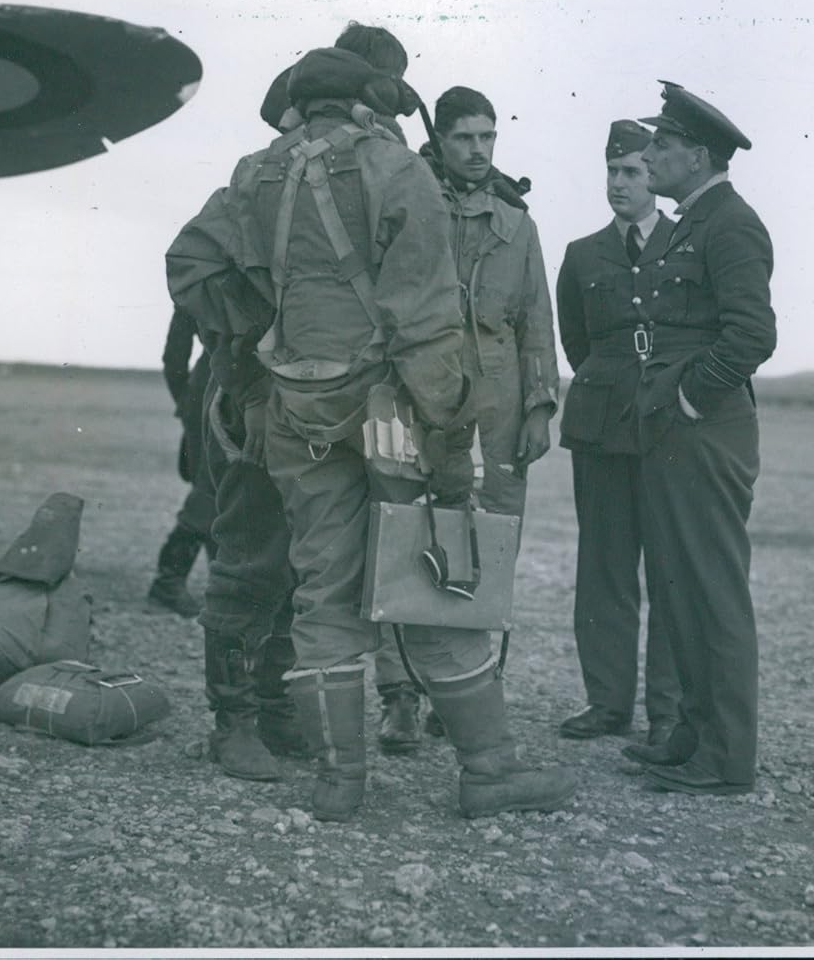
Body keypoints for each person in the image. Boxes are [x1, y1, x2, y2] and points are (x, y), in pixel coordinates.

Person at [167, 47, 574, 820]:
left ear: (300, 105)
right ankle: (488, 769)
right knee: (432, 575)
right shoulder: (396, 169)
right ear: (364, 105)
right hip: (392, 411)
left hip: (297, 409)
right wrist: (450, 434)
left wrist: (267, 333)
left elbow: (190, 265)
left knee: (323, 587)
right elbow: (425, 320)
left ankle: (340, 782)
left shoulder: (256, 173)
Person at [193, 24, 418, 783]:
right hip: (264, 393)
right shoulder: (275, 169)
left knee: (312, 564)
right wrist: (262, 338)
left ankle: (276, 704)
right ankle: (232, 722)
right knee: (252, 555)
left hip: (336, 399)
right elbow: (194, 261)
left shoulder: (372, 170)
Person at [371, 85, 561, 751]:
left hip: (498, 403)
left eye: (488, 137)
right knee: (400, 533)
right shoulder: (409, 204)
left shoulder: (518, 224)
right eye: (464, 138)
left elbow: (536, 321)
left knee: (491, 541)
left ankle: (471, 693)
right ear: (440, 140)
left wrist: (539, 408)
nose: (478, 151)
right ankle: (399, 694)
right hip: (413, 391)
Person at [619, 81, 776, 797]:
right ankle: (693, 734)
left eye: (663, 144)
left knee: (712, 591)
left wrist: (689, 396)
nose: (650, 154)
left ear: (699, 156)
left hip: (705, 428)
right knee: (679, 588)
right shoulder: (694, 222)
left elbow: (752, 335)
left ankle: (727, 757)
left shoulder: (731, 224)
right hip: (675, 429)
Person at [554, 120, 680, 742]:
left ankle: (669, 710)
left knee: (671, 568)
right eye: (612, 172)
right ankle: (607, 703)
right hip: (602, 426)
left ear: (654, 175)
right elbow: (577, 342)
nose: (619, 183)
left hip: (670, 425)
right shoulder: (582, 254)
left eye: (631, 172)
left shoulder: (689, 242)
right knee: (604, 566)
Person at [146, 307, 215, 617]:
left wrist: (188, 401)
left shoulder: (195, 281)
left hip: (207, 393)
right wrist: (189, 404)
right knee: (211, 491)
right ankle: (168, 582)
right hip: (221, 394)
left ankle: (221, 581)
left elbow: (174, 358)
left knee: (220, 490)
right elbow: (174, 357)